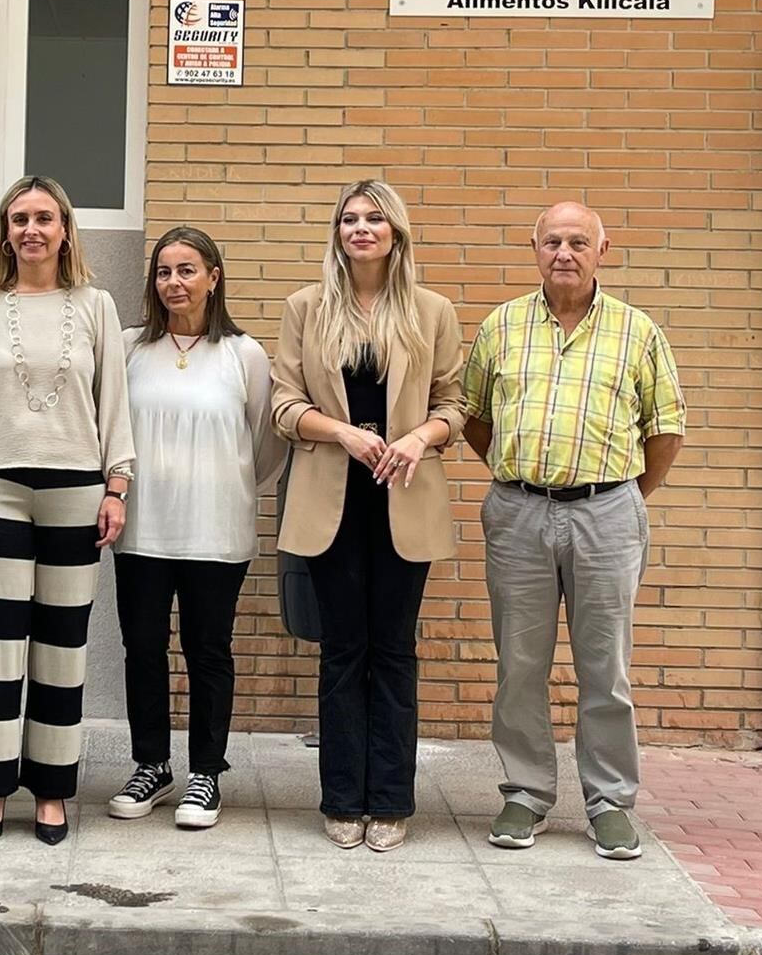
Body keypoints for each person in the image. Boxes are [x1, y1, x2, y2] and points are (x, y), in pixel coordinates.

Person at [464, 201, 685, 863]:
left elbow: (666, 428)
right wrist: (521, 474)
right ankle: (526, 794)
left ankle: (608, 801)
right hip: (519, 513)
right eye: (553, 241)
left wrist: (620, 497)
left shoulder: (636, 331)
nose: (565, 252)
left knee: (604, 666)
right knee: (520, 665)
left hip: (607, 514)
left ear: (603, 250)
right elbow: (475, 416)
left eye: (578, 242)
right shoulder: (501, 326)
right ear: (534, 248)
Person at [0, 175, 135, 846]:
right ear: (5, 231)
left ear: (65, 229)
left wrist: (117, 484)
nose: (32, 230)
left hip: (76, 488)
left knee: (60, 650)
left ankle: (50, 790)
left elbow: (115, 404)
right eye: (19, 219)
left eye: (45, 218)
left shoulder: (96, 305)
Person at [270, 178, 466, 854]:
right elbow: (284, 405)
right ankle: (341, 799)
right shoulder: (306, 308)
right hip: (332, 502)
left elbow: (455, 404)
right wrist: (345, 433)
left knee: (394, 653)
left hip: (402, 500)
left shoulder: (432, 311)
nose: (361, 228)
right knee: (342, 652)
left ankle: (390, 799)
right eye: (349, 219)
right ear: (338, 233)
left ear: (396, 233)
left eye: (374, 219)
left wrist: (419, 437)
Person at [106, 227, 286, 831]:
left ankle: (206, 770)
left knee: (208, 651)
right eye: (163, 272)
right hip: (142, 530)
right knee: (143, 649)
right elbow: (111, 434)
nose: (174, 283)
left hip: (216, 530)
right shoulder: (129, 348)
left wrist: (220, 484)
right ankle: (151, 765)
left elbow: (265, 445)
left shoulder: (244, 355)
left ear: (214, 277)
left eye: (187, 270)